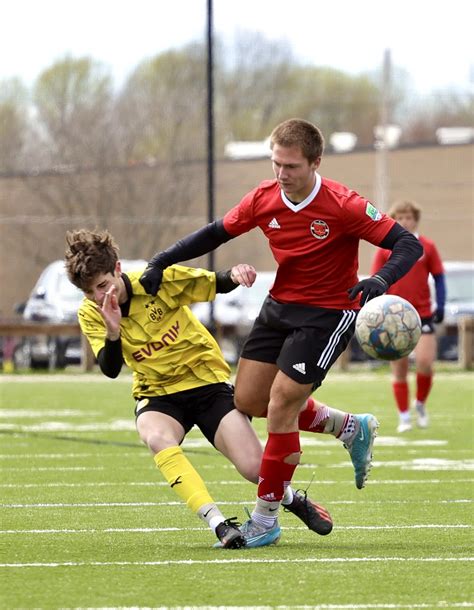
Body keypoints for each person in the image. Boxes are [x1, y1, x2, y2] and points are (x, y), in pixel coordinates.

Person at [139, 118, 423, 545]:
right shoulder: (264, 198)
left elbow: (407, 244)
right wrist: (163, 259)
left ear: (315, 162)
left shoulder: (343, 204)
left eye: (291, 166)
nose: (281, 173)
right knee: (246, 400)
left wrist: (380, 282)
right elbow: (218, 232)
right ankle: (349, 427)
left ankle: (265, 519)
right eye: (276, 163)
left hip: (328, 313)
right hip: (279, 308)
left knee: (280, 408)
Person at [64, 228, 334, 550]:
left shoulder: (156, 281)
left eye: (103, 285)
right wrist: (112, 331)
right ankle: (219, 524)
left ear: (118, 269)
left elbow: (213, 282)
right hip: (159, 394)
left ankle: (291, 500)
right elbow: (109, 369)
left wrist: (236, 274)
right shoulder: (90, 312)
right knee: (155, 437)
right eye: (90, 291)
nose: (98, 296)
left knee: (253, 468)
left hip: (207, 385)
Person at [371, 200, 445, 433]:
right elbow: (376, 281)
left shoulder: (427, 246)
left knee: (425, 363)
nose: (405, 221)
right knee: (399, 368)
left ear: (415, 219)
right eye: (400, 218)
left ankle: (420, 404)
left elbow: (439, 277)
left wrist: (440, 304)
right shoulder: (385, 249)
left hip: (422, 314)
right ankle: (404, 416)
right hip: (393, 317)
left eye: (409, 217)